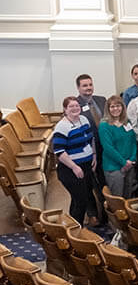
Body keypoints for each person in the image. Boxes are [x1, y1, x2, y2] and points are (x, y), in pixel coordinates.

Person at [53, 97, 99, 226]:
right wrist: (74, 167)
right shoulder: (62, 126)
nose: (75, 109)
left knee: (78, 198)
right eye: (71, 107)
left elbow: (91, 140)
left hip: (86, 165)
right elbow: (59, 151)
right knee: (81, 200)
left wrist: (94, 155)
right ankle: (77, 230)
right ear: (65, 110)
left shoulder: (84, 120)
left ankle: (72, 226)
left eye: (77, 106)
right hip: (70, 169)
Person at [98, 96, 138, 199]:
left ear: (122, 107)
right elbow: (108, 148)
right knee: (118, 199)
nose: (116, 109)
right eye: (112, 106)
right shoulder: (104, 125)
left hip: (130, 165)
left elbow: (133, 142)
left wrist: (132, 159)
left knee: (129, 196)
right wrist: (124, 163)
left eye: (118, 106)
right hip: (114, 168)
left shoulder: (126, 122)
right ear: (108, 108)